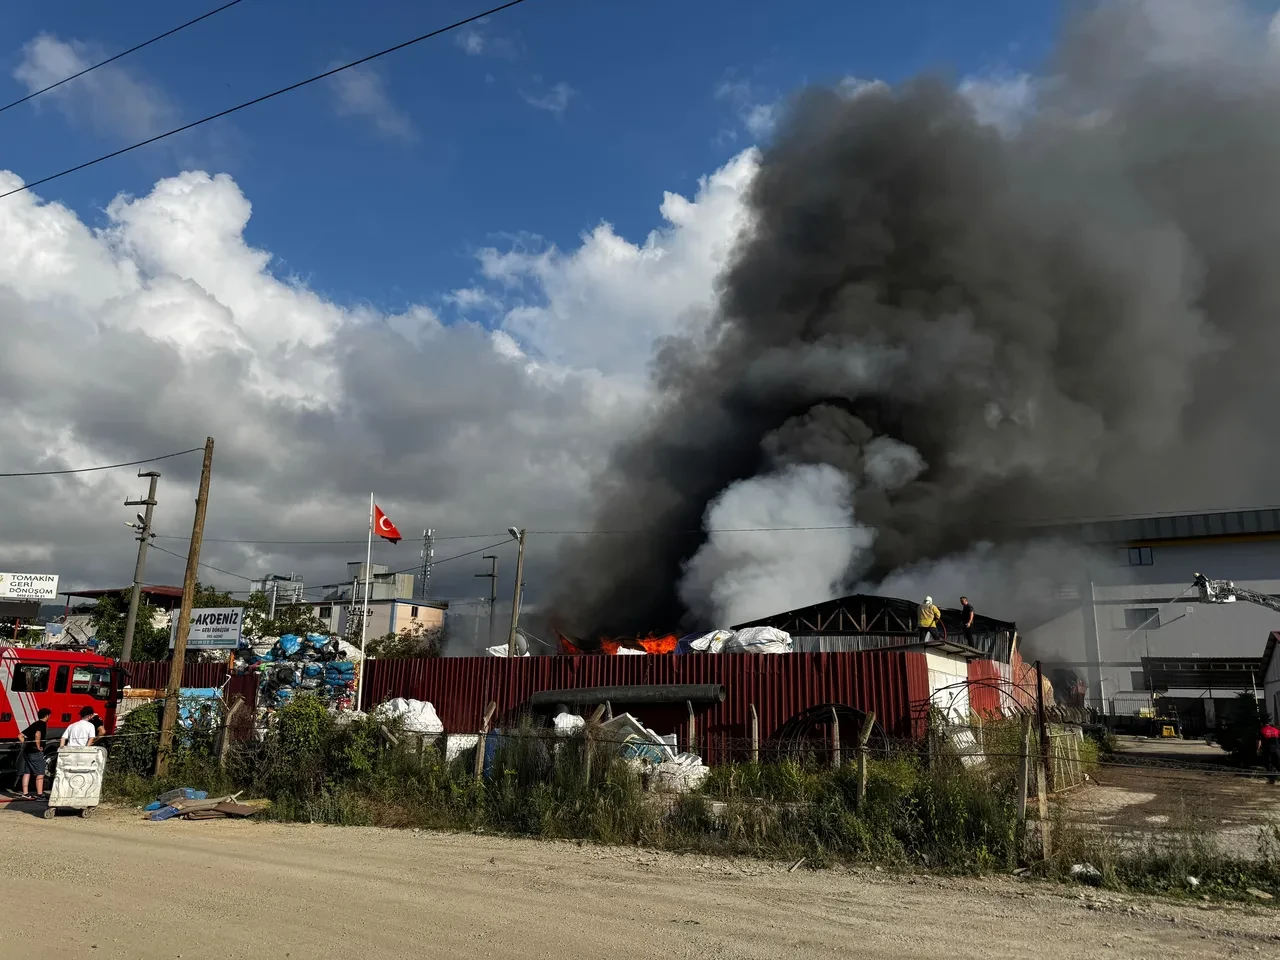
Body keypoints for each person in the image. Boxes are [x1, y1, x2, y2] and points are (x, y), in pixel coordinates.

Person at [18, 708, 52, 800]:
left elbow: (20, 736)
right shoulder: (42, 724)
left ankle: (25, 793)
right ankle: (40, 795)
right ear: (47, 716)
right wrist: (38, 746)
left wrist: (25, 744)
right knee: (40, 773)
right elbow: (37, 734)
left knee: (27, 772)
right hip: (35, 752)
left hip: (27, 751)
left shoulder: (34, 724)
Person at [1259, 716, 1280, 785]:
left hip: (1267, 749)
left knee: (1267, 764)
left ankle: (1272, 779)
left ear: (1262, 723)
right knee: (1278, 764)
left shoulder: (1262, 730)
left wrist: (1258, 749)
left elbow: (1259, 741)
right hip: (1277, 749)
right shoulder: (1276, 730)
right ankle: (1272, 779)